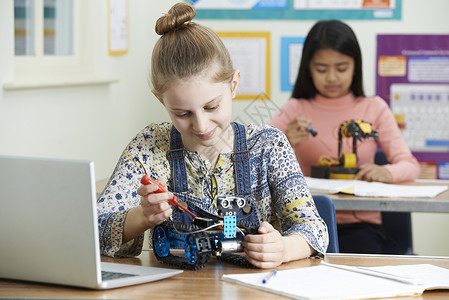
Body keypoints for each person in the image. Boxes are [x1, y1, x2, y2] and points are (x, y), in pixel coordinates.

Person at [97, 2, 327, 269]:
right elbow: (94, 231)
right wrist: (142, 216)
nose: (201, 125)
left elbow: (314, 229)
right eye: (183, 114)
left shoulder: (269, 145)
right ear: (161, 101)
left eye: (211, 106)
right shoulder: (148, 148)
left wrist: (284, 248)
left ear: (234, 85)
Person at [270, 20, 420, 254]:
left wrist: (387, 172)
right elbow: (256, 162)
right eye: (321, 69)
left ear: (355, 67)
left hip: (359, 227)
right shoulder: (294, 108)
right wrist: (284, 142)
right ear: (308, 68)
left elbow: (410, 166)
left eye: (341, 68)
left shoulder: (374, 108)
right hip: (303, 225)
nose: (331, 77)